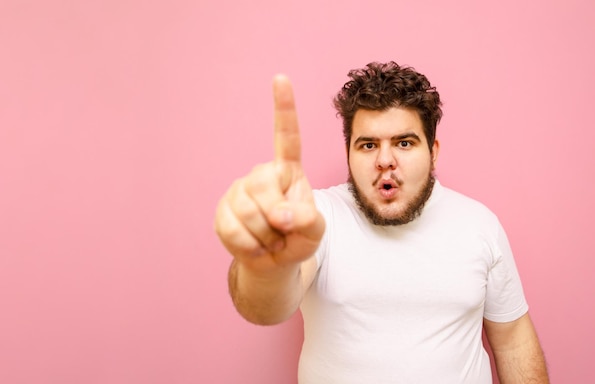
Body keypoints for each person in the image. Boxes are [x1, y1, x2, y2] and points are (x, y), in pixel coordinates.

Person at [214, 61, 549, 383]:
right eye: (368, 145)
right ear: (349, 153)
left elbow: (513, 340)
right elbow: (264, 308)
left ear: (433, 151)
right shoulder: (314, 217)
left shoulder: (479, 225)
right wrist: (264, 267)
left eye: (404, 143)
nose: (385, 160)